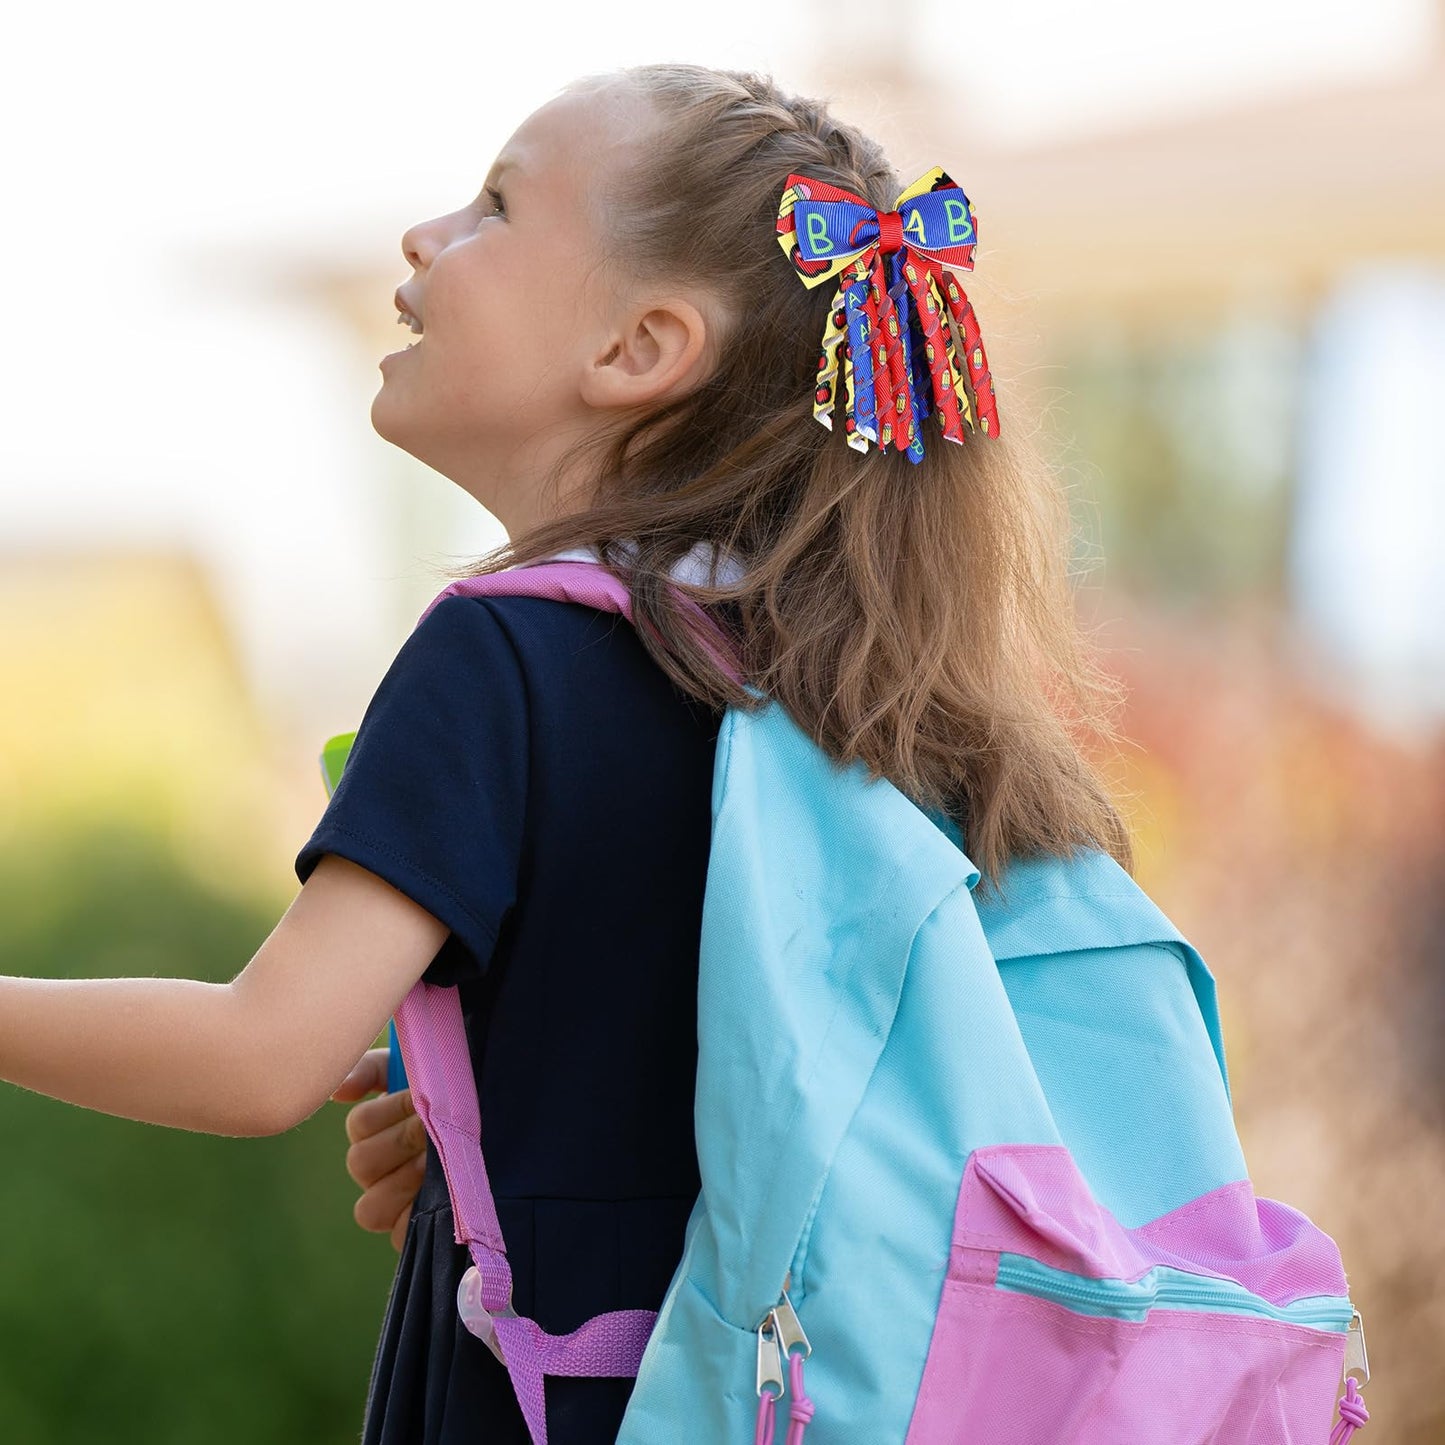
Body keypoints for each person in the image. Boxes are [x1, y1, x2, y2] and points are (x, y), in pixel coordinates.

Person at [0, 61, 1134, 1445]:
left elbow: (258, 1056)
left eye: (490, 207)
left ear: (639, 349)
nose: (422, 238)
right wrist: (495, 1123)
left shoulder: (505, 655)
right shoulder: (857, 695)